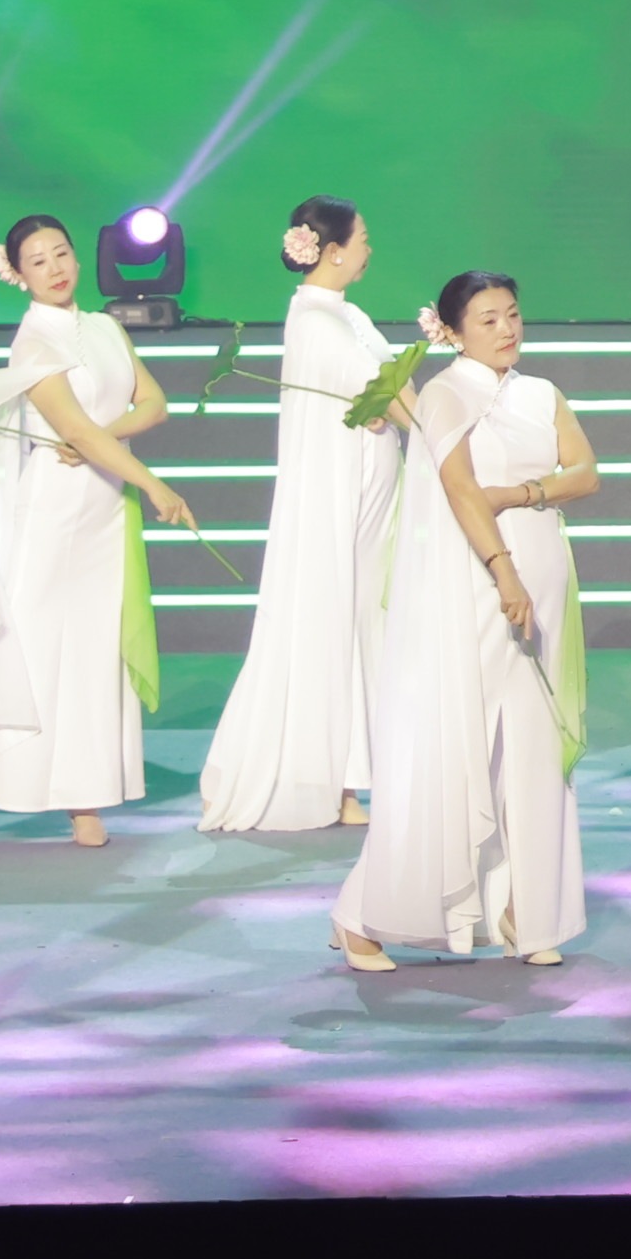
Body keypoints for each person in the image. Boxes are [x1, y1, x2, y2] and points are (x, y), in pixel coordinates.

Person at [0, 212, 203, 848]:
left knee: (91, 656)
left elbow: (154, 405)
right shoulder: (33, 342)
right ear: (19, 276)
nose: (55, 269)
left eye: (61, 254)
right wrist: (152, 482)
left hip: (104, 506)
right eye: (38, 261)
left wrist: (104, 440)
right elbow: (72, 428)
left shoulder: (105, 327)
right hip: (53, 510)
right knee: (23, 650)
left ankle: (83, 797)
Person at [339, 273, 598, 967]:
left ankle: (529, 916)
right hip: (479, 589)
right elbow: (458, 488)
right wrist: (503, 569)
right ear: (451, 333)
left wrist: (521, 492)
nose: (507, 328)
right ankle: (361, 915)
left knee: (535, 752)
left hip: (545, 587)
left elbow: (585, 471)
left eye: (512, 314)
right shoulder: (447, 393)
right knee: (458, 752)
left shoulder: (541, 393)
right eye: (487, 320)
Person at [199, 195, 402, 835]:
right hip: (337, 499)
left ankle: (349, 777)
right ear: (332, 251)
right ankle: (326, 779)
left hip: (368, 498)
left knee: (360, 625)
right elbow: (384, 390)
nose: (370, 248)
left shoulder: (345, 313)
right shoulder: (314, 321)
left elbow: (384, 383)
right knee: (331, 623)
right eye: (362, 238)